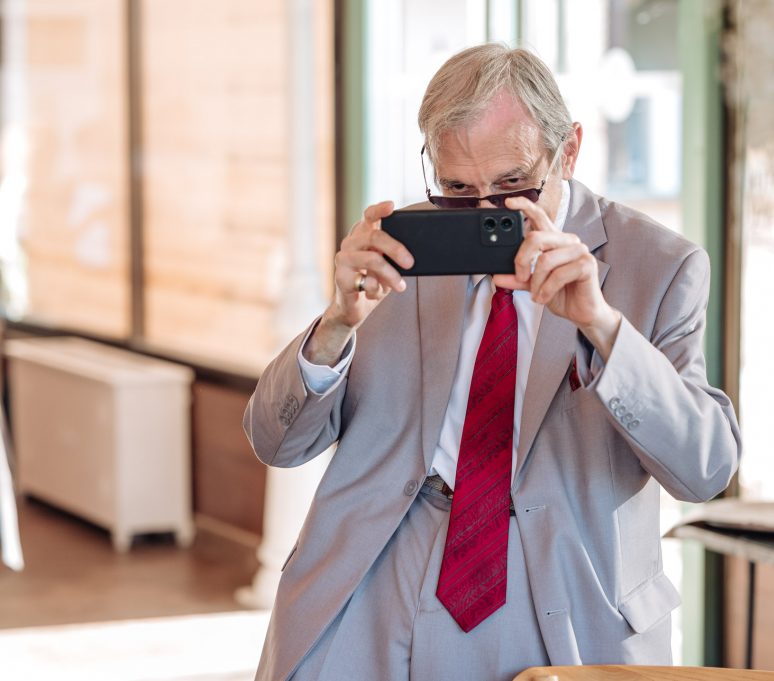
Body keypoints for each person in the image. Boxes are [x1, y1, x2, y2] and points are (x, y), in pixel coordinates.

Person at [244, 43, 740, 681]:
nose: (485, 212)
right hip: (379, 575)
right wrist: (336, 323)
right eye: (457, 189)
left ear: (570, 150)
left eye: (512, 185)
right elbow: (275, 443)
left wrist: (603, 327)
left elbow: (706, 471)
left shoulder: (661, 267)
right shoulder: (399, 251)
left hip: (563, 598)